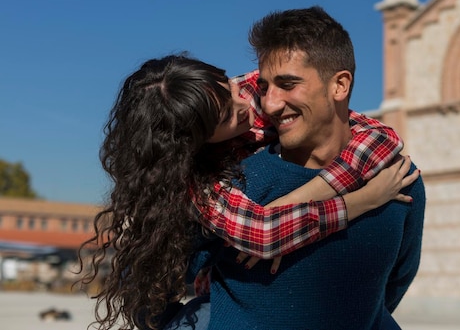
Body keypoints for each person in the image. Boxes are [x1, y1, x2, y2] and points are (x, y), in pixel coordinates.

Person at [77, 53, 418, 330]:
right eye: (227, 115)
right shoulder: (199, 186)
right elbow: (265, 234)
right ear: (193, 144)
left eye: (229, 88)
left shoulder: (251, 91)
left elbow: (381, 136)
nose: (249, 106)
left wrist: (299, 197)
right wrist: (361, 200)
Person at [205, 6, 426, 330]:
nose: (269, 104)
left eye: (288, 84)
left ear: (339, 85)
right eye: (264, 87)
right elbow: (182, 279)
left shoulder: (398, 181)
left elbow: (391, 287)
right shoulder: (234, 183)